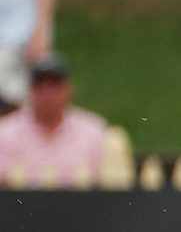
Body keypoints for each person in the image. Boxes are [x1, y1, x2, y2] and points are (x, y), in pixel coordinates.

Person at [0, 54, 108, 188]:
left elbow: (110, 185)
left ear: (69, 89)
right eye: (40, 86)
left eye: (54, 86)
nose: (47, 94)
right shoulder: (5, 133)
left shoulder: (94, 131)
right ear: (30, 90)